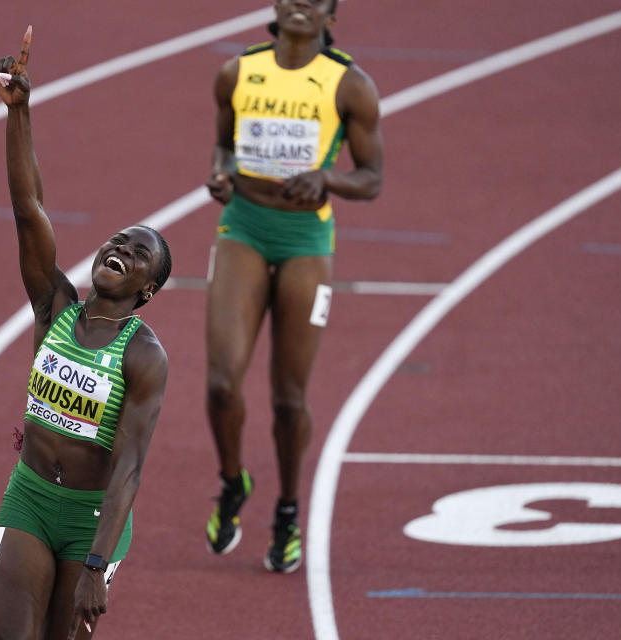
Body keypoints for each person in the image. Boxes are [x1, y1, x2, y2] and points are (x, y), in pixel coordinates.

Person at [0, 26, 172, 640]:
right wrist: (20, 113)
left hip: (92, 518)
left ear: (147, 290)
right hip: (30, 498)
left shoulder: (144, 356)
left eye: (138, 252)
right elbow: (27, 209)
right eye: (119, 239)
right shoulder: (53, 306)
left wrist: (97, 563)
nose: (121, 247)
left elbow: (130, 468)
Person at [203, 0, 383, 573]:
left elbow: (372, 177)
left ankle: (286, 510)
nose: (301, 3)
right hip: (244, 227)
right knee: (221, 386)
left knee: (288, 398)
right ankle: (233, 483)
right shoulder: (237, 71)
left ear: (333, 12)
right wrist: (220, 173)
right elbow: (224, 143)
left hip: (306, 239)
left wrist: (327, 177)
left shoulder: (350, 85)